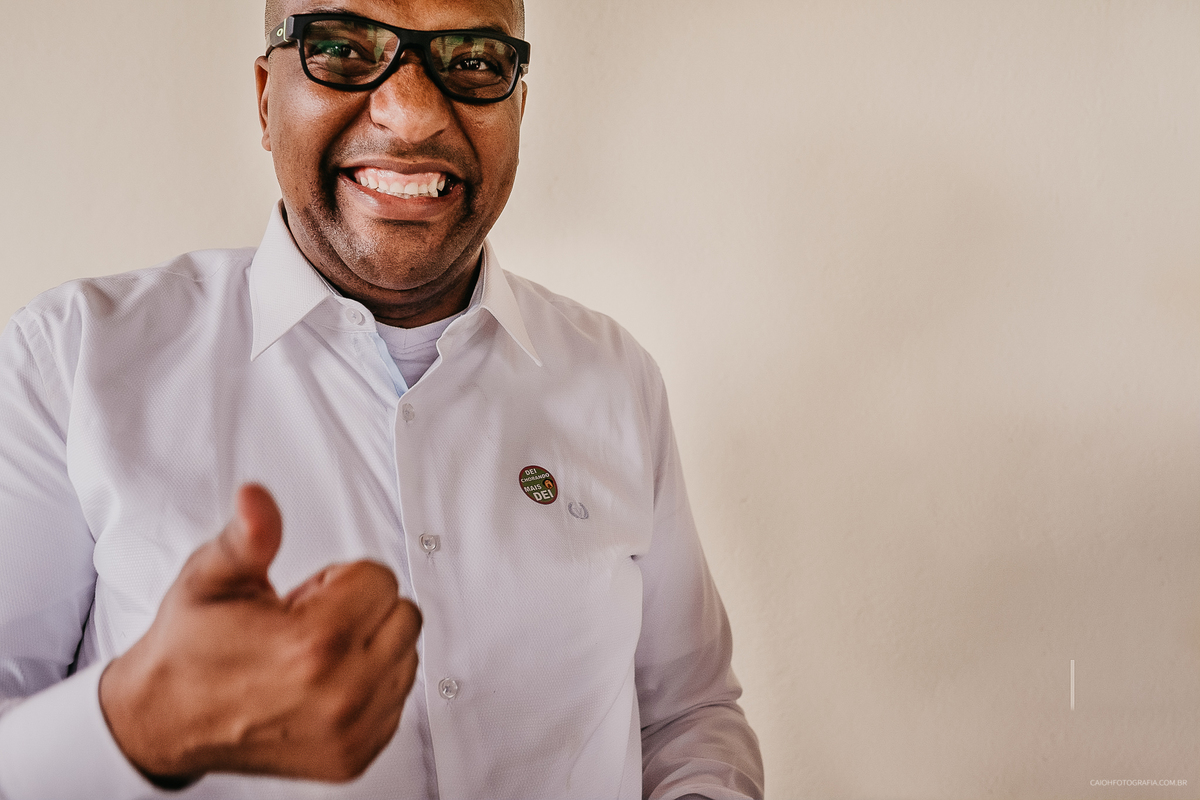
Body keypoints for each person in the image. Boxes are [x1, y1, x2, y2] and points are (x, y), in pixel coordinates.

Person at [0, 0, 764, 797]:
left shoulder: (615, 377)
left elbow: (688, 714)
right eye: (341, 48)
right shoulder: (73, 359)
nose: (411, 115)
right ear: (266, 99)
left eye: (472, 59)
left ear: (520, 106)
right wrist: (132, 725)